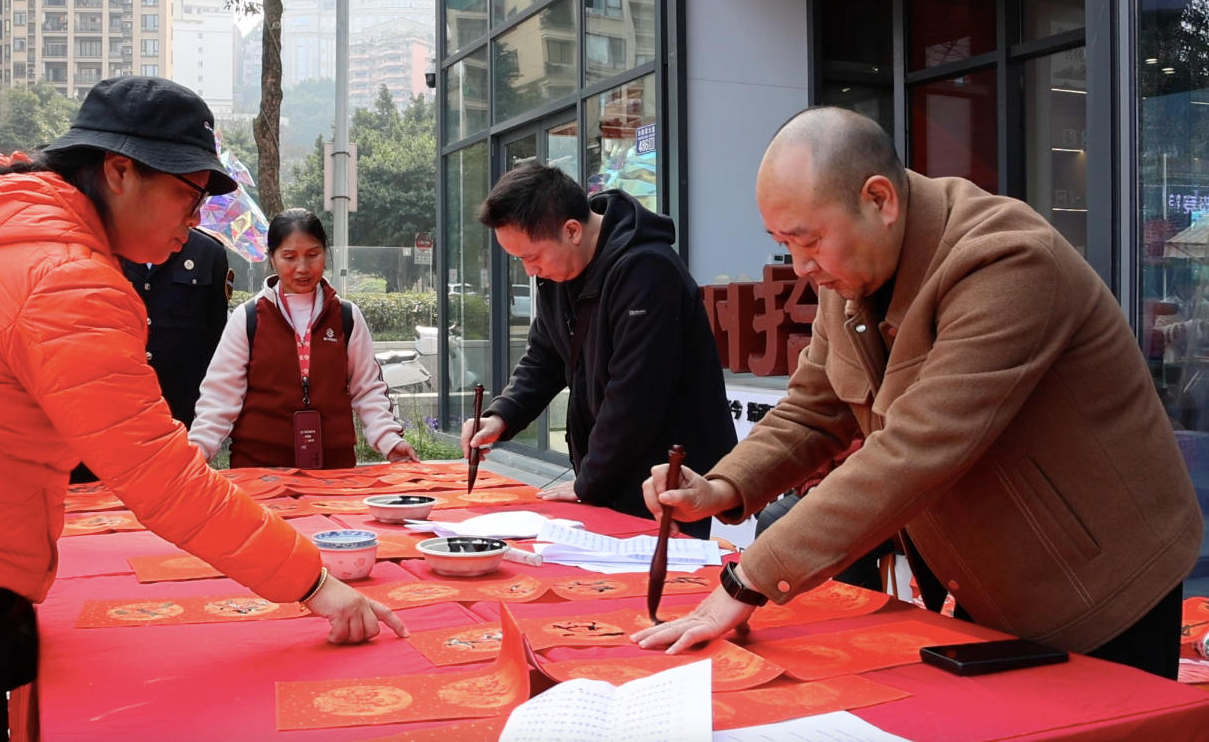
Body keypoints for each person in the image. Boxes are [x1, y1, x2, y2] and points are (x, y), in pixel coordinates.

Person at [0, 77, 406, 741]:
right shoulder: (61, 277)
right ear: (118, 172)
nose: (195, 219)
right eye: (187, 194)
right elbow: (162, 480)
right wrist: (314, 584)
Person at [633, 106, 1201, 680]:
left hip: (1101, 583)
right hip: (989, 579)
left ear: (879, 200)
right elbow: (812, 408)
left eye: (809, 241)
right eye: (783, 242)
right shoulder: (850, 272)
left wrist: (749, 579)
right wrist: (723, 485)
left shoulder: (1006, 260)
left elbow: (917, 446)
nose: (802, 266)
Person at [460, 163, 737, 534]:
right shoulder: (559, 273)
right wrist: (501, 417)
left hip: (665, 480)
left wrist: (587, 481)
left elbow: (635, 396)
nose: (529, 270)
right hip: (611, 471)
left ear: (572, 230)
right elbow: (544, 357)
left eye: (532, 256)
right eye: (520, 260)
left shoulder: (648, 271)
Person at [190, 210, 418, 468]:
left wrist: (389, 440)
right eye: (289, 257)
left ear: (325, 254)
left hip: (333, 470)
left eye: (313, 255)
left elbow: (367, 390)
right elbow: (220, 396)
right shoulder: (249, 317)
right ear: (272, 258)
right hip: (259, 470)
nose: (302, 268)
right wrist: (199, 449)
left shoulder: (346, 316)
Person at [70, 226, 231, 483]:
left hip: (177, 410)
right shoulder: (97, 247)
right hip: (107, 407)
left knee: (171, 488)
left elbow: (217, 342)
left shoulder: (207, 253)